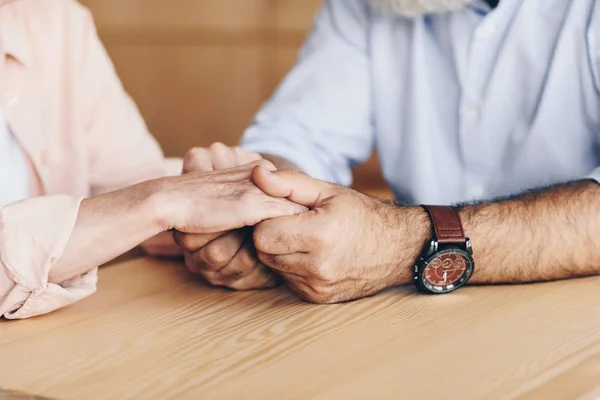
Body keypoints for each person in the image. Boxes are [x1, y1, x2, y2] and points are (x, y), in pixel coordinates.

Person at [178, 0, 600, 303]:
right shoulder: (364, 6)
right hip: (419, 320)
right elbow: (300, 136)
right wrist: (258, 196)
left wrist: (403, 243)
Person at [0, 0, 305, 319]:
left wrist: (230, 194)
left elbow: (127, 178)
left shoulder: (55, 21)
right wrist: (159, 203)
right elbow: (142, 201)